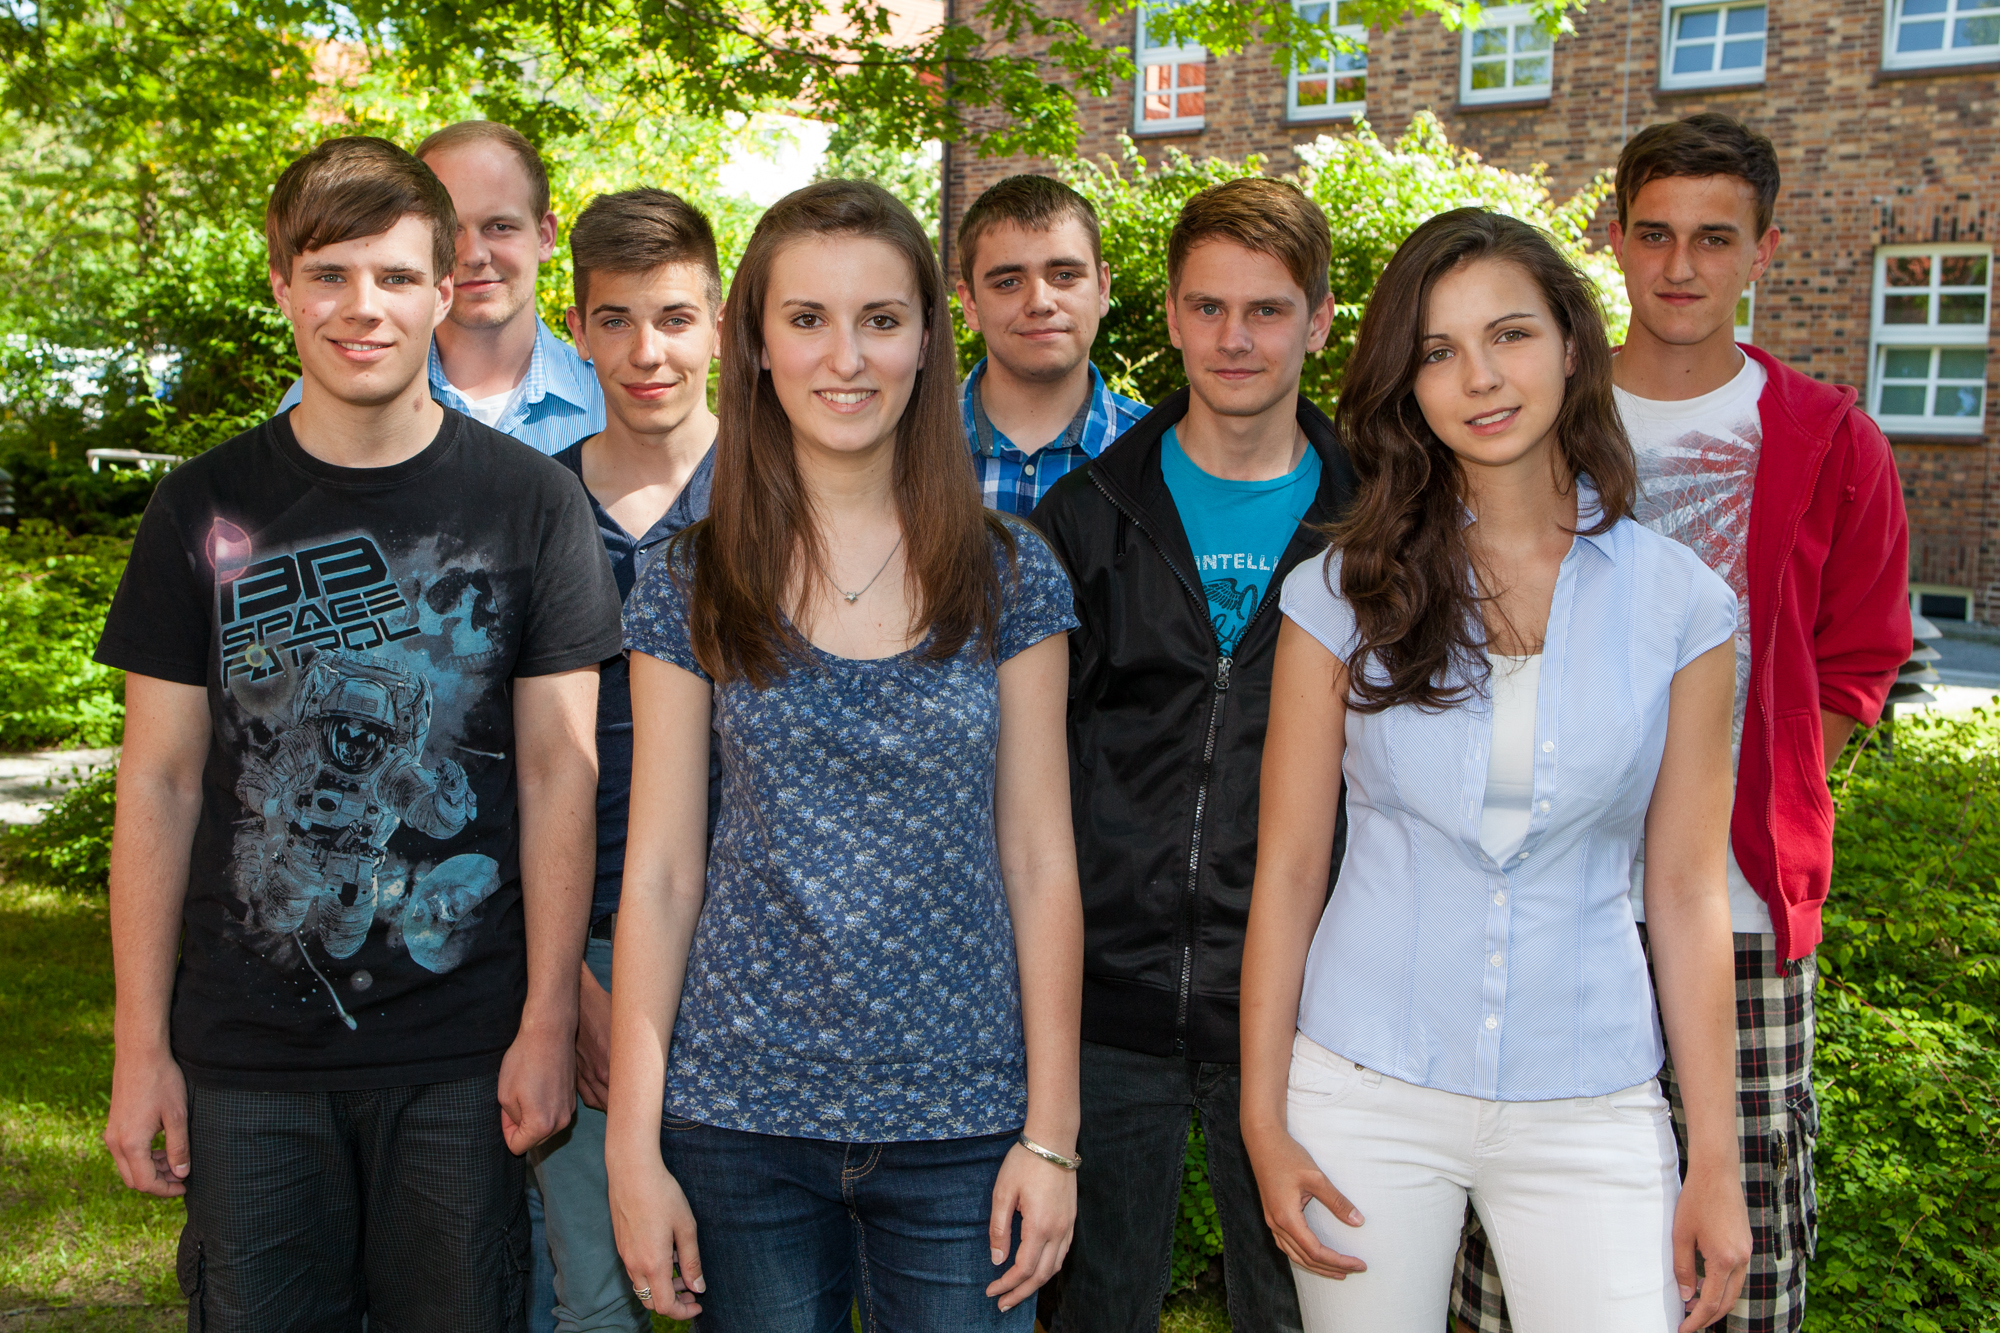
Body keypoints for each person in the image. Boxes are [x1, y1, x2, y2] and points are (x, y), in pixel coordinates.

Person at [96, 135, 622, 1330]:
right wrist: (140, 1047)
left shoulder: (532, 502)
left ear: (444, 289)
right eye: (328, 273)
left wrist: (548, 1018)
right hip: (246, 1057)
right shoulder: (203, 506)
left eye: (392, 275)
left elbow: (559, 772)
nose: (360, 306)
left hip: (461, 1050)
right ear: (281, 284)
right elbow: (162, 782)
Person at [1240, 208, 1754, 1331]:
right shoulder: (1338, 594)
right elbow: (1287, 867)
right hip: (1362, 1085)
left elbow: (1685, 890)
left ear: (1572, 343)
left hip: (1592, 1093)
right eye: (1438, 350)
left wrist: (1714, 1157)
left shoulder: (1683, 604)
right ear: (1408, 386)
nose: (1479, 376)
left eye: (1509, 334)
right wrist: (1262, 1119)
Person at [1450, 113, 1910, 1333]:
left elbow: (1858, 661)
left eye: (1714, 238)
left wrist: (1739, 794)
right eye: (1652, 234)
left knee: (1731, 1249)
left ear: (1764, 247)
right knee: (1520, 1254)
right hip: (1547, 901)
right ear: (1610, 236)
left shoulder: (1827, 438)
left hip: (1736, 906)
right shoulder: (1531, 409)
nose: (1679, 266)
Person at [603, 179, 1085, 1330]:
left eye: (879, 319)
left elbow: (1038, 861)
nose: (846, 357)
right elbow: (660, 874)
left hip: (965, 1120)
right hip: (738, 1118)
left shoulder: (1011, 573)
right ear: (758, 344)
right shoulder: (690, 577)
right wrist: (630, 1145)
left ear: (925, 337)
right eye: (807, 318)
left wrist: (1052, 1134)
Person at [1028, 176, 1357, 1333]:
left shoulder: (1378, 526)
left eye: (1266, 310)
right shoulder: (1082, 518)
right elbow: (1029, 773)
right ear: (1168, 314)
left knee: (1299, 1308)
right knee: (1091, 1308)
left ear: (1317, 321)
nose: (1233, 338)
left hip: (1309, 1007)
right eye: (1207, 307)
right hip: (1104, 1002)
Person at [528, 187, 723, 1333]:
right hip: (583, 932)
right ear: (579, 328)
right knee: (594, 1290)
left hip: (753, 940)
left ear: (718, 321)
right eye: (615, 320)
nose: (647, 352)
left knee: (750, 1275)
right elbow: (494, 762)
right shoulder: (530, 508)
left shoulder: (782, 493)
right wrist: (563, 982)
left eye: (674, 317)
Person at [279, 120, 604, 454]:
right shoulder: (313, 402)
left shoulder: (614, 399)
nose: (474, 255)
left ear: (545, 237)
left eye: (500, 227)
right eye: (451, 230)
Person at [955, 174, 1147, 515]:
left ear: (1102, 289)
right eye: (1008, 282)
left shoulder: (1164, 453)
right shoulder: (902, 446)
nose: (1040, 302)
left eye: (1065, 275)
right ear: (970, 304)